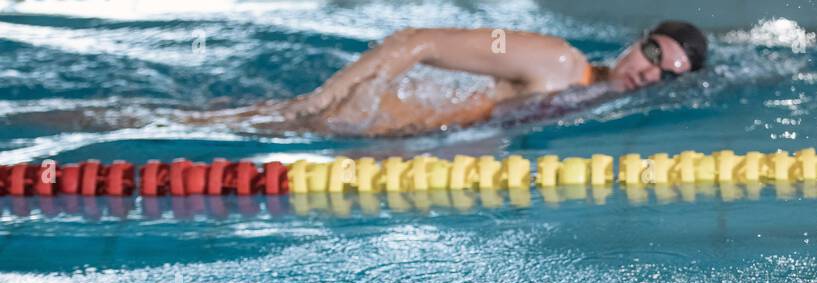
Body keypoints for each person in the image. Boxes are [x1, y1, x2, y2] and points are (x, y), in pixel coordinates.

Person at [225, 21, 708, 137]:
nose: (648, 73)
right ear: (637, 40)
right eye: (652, 53)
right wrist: (326, 99)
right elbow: (417, 40)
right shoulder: (560, 63)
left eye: (665, 75)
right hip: (342, 118)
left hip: (385, 135)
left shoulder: (591, 98)